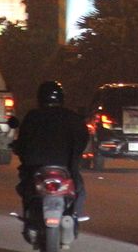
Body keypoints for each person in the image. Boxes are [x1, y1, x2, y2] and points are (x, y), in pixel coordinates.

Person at [11, 80, 89, 239]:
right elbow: (83, 140)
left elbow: (23, 141)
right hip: (65, 166)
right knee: (79, 189)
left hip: (36, 166)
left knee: (26, 188)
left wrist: (19, 149)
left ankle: (30, 220)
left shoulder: (33, 116)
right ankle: (74, 216)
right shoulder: (72, 118)